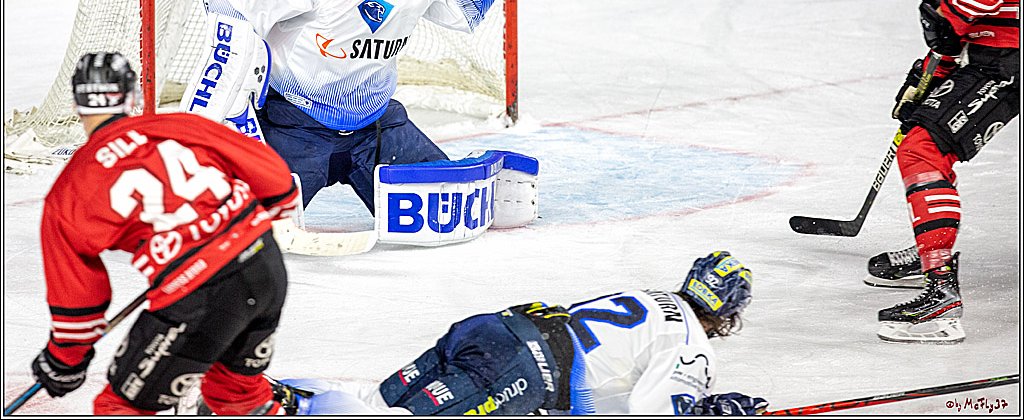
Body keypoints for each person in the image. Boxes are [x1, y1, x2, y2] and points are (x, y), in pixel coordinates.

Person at [204, 0, 506, 214]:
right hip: (296, 125)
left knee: (450, 208)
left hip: (377, 127)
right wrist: (244, 79)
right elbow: (227, 7)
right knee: (240, 222)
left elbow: (465, 15)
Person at [29, 52, 298, 414]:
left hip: (201, 293)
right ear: (132, 98)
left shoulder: (71, 188)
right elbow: (278, 182)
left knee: (122, 408)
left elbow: (77, 299)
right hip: (265, 265)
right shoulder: (180, 126)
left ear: (77, 104)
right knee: (233, 393)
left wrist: (64, 361)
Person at [181, 251, 768, 415]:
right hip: (518, 371)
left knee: (375, 401)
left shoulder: (645, 296)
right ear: (730, 314)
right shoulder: (689, 341)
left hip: (493, 330)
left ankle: (261, 397)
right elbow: (651, 409)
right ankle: (265, 410)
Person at [868, 0, 1019, 344]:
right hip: (994, 52)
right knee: (924, 141)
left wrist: (944, 38)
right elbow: (972, 10)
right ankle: (934, 243)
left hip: (1008, 59)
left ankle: (942, 302)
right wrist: (939, 63)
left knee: (921, 151)